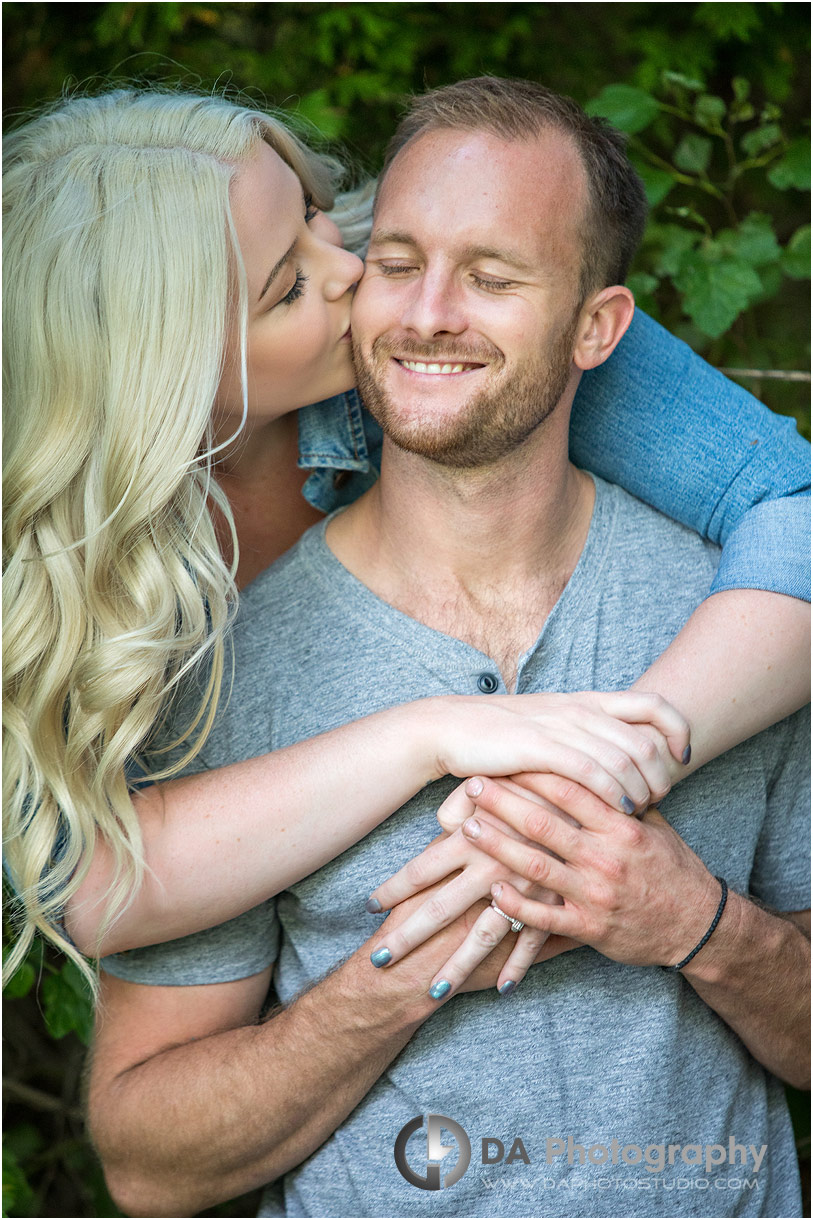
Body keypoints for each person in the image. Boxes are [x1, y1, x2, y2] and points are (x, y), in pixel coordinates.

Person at [87, 78, 809, 1218]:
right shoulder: (201, 652)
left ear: (597, 327)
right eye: (394, 263)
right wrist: (413, 964)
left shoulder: (747, 623)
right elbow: (147, 1159)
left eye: (489, 275)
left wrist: (696, 922)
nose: (414, 307)